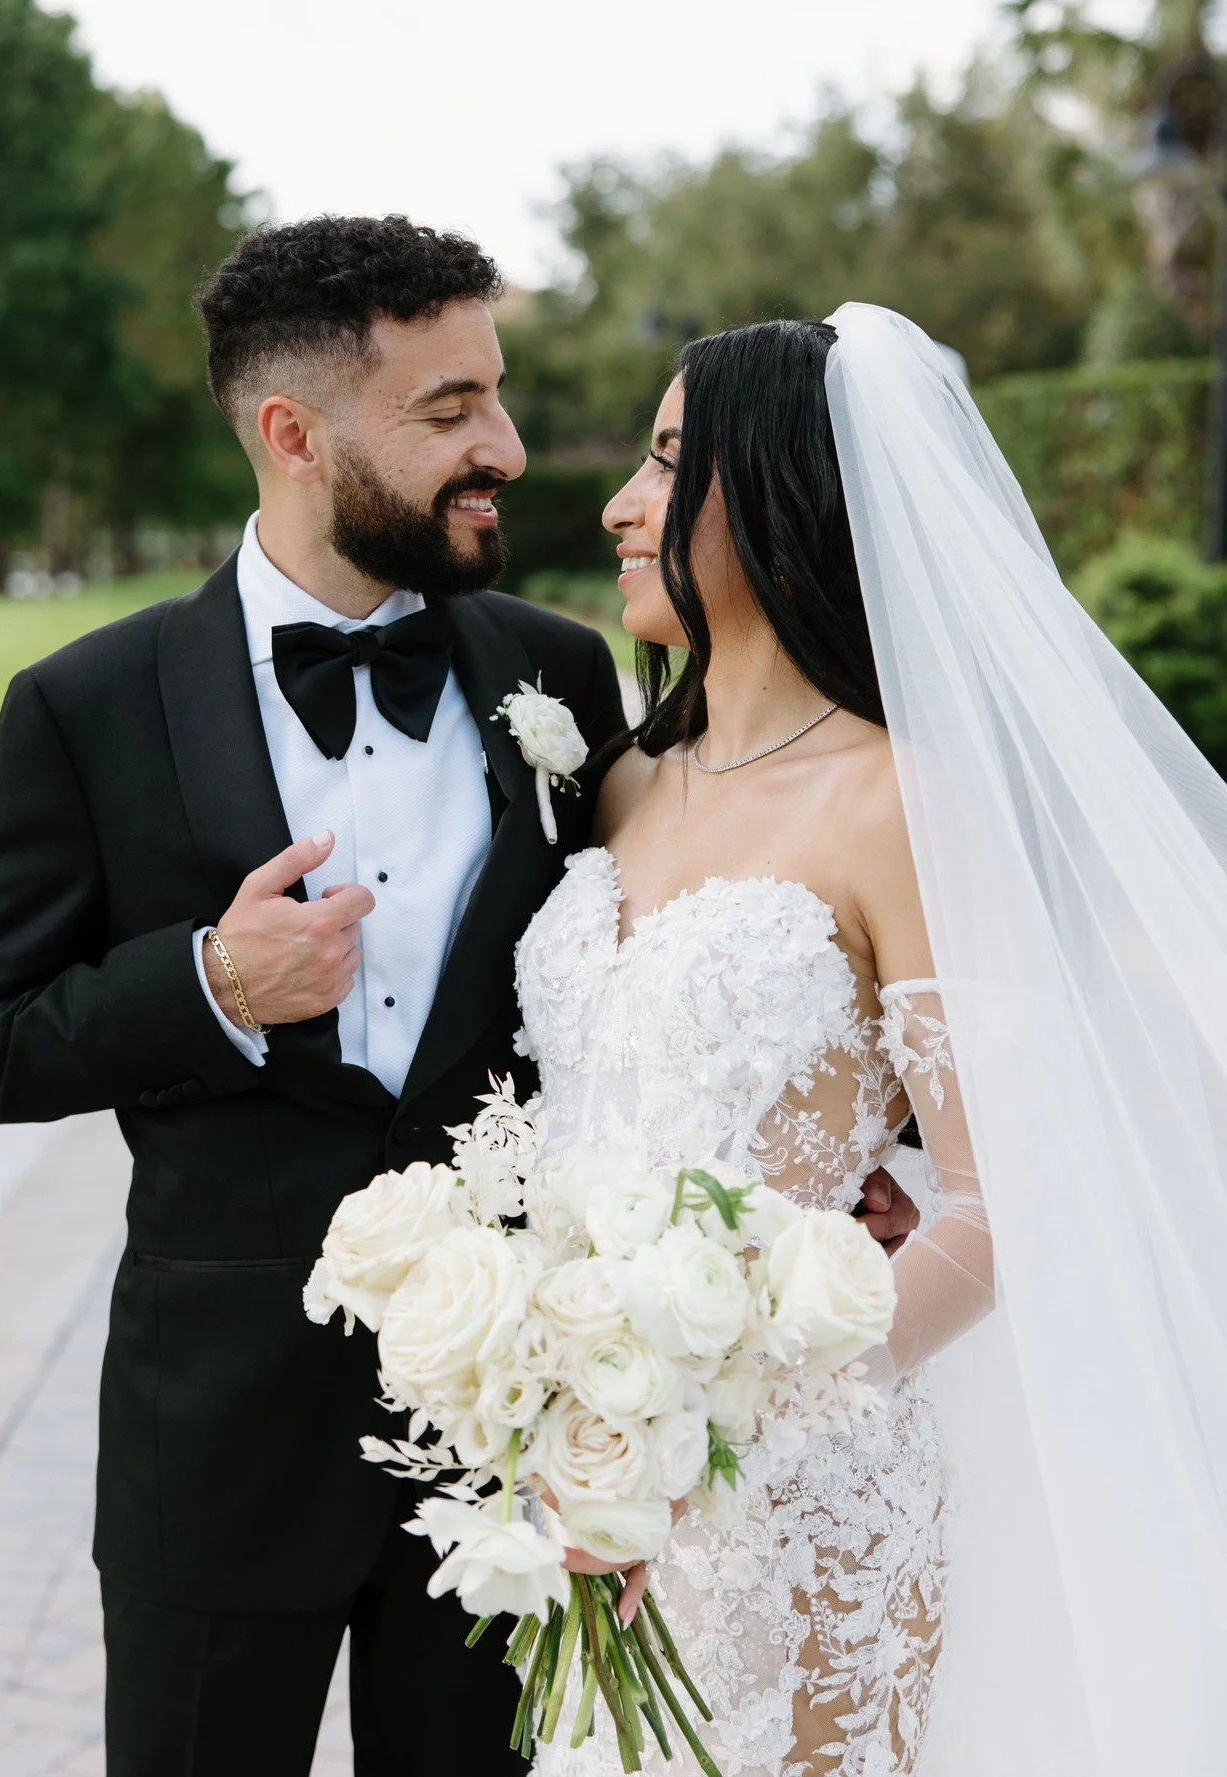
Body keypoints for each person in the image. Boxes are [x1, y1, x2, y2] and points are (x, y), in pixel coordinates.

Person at [0, 217, 918, 1775]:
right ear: (293, 435)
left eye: (495, 397)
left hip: (532, 1462)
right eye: (449, 412)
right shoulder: (87, 706)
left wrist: (854, 1168)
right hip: (217, 1449)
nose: (504, 448)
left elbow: (727, 954)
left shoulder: (567, 679)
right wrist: (206, 984)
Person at [515, 309, 1227, 1776]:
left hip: (801, 1496)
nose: (617, 506)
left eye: (664, 462)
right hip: (581, 1497)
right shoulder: (626, 784)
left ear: (780, 495)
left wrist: (710, 1439)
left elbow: (996, 1199)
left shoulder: (903, 803)